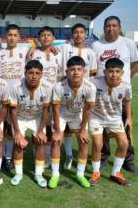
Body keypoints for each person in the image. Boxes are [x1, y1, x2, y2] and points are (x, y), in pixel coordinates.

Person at [92, 16, 138, 173]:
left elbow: (135, 63)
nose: (111, 29)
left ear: (119, 27)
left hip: (121, 95)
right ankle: (103, 157)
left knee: (125, 127)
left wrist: (124, 80)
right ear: (104, 28)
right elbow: (93, 68)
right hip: (100, 94)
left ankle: (128, 159)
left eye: (114, 25)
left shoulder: (128, 43)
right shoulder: (96, 44)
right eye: (108, 26)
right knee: (101, 129)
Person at [50, 56, 96, 188]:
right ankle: (55, 175)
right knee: (56, 141)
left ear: (84, 71)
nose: (75, 72)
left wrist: (83, 130)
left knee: (83, 141)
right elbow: (56, 108)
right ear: (66, 72)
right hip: (62, 115)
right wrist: (58, 131)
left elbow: (87, 109)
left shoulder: (90, 87)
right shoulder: (58, 86)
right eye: (72, 69)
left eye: (79, 69)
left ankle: (80, 174)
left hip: (77, 114)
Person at [0, 24, 31, 171]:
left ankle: (8, 157)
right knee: (2, 127)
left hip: (18, 96)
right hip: (2, 96)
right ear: (5, 37)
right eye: (9, 35)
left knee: (12, 129)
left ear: (19, 37)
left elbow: (38, 51)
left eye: (15, 35)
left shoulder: (25, 50)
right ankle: (0, 156)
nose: (12, 37)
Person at [58, 23, 98, 170]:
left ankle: (79, 159)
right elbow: (47, 46)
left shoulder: (90, 52)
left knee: (80, 129)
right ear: (72, 35)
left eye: (82, 32)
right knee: (65, 128)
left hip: (82, 94)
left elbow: (93, 75)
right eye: (76, 32)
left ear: (86, 35)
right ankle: (68, 155)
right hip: (65, 90)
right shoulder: (65, 48)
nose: (79, 35)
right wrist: (32, 47)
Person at [89, 58, 131, 186]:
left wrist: (128, 117)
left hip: (114, 118)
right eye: (111, 71)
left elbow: (128, 101)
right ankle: (96, 172)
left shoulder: (126, 86)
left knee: (124, 143)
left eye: (117, 71)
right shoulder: (94, 81)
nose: (114, 74)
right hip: (96, 117)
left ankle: (115, 172)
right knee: (97, 143)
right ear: (105, 71)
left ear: (122, 73)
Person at [10, 60, 52, 187]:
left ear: (41, 74)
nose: (33, 76)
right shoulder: (16, 86)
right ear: (25, 73)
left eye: (37, 73)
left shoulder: (48, 87)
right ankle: (18, 173)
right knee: (18, 143)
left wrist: (40, 130)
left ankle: (38, 174)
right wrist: (17, 131)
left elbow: (46, 110)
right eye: (30, 73)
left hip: (37, 117)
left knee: (40, 141)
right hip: (20, 117)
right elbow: (13, 110)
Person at [31, 26, 63, 168]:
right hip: (38, 94)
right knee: (37, 124)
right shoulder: (33, 53)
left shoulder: (59, 54)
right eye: (42, 35)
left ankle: (50, 156)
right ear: (38, 39)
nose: (45, 37)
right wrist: (32, 48)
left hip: (54, 95)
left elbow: (63, 74)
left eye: (48, 35)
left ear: (53, 38)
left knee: (51, 126)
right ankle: (37, 151)